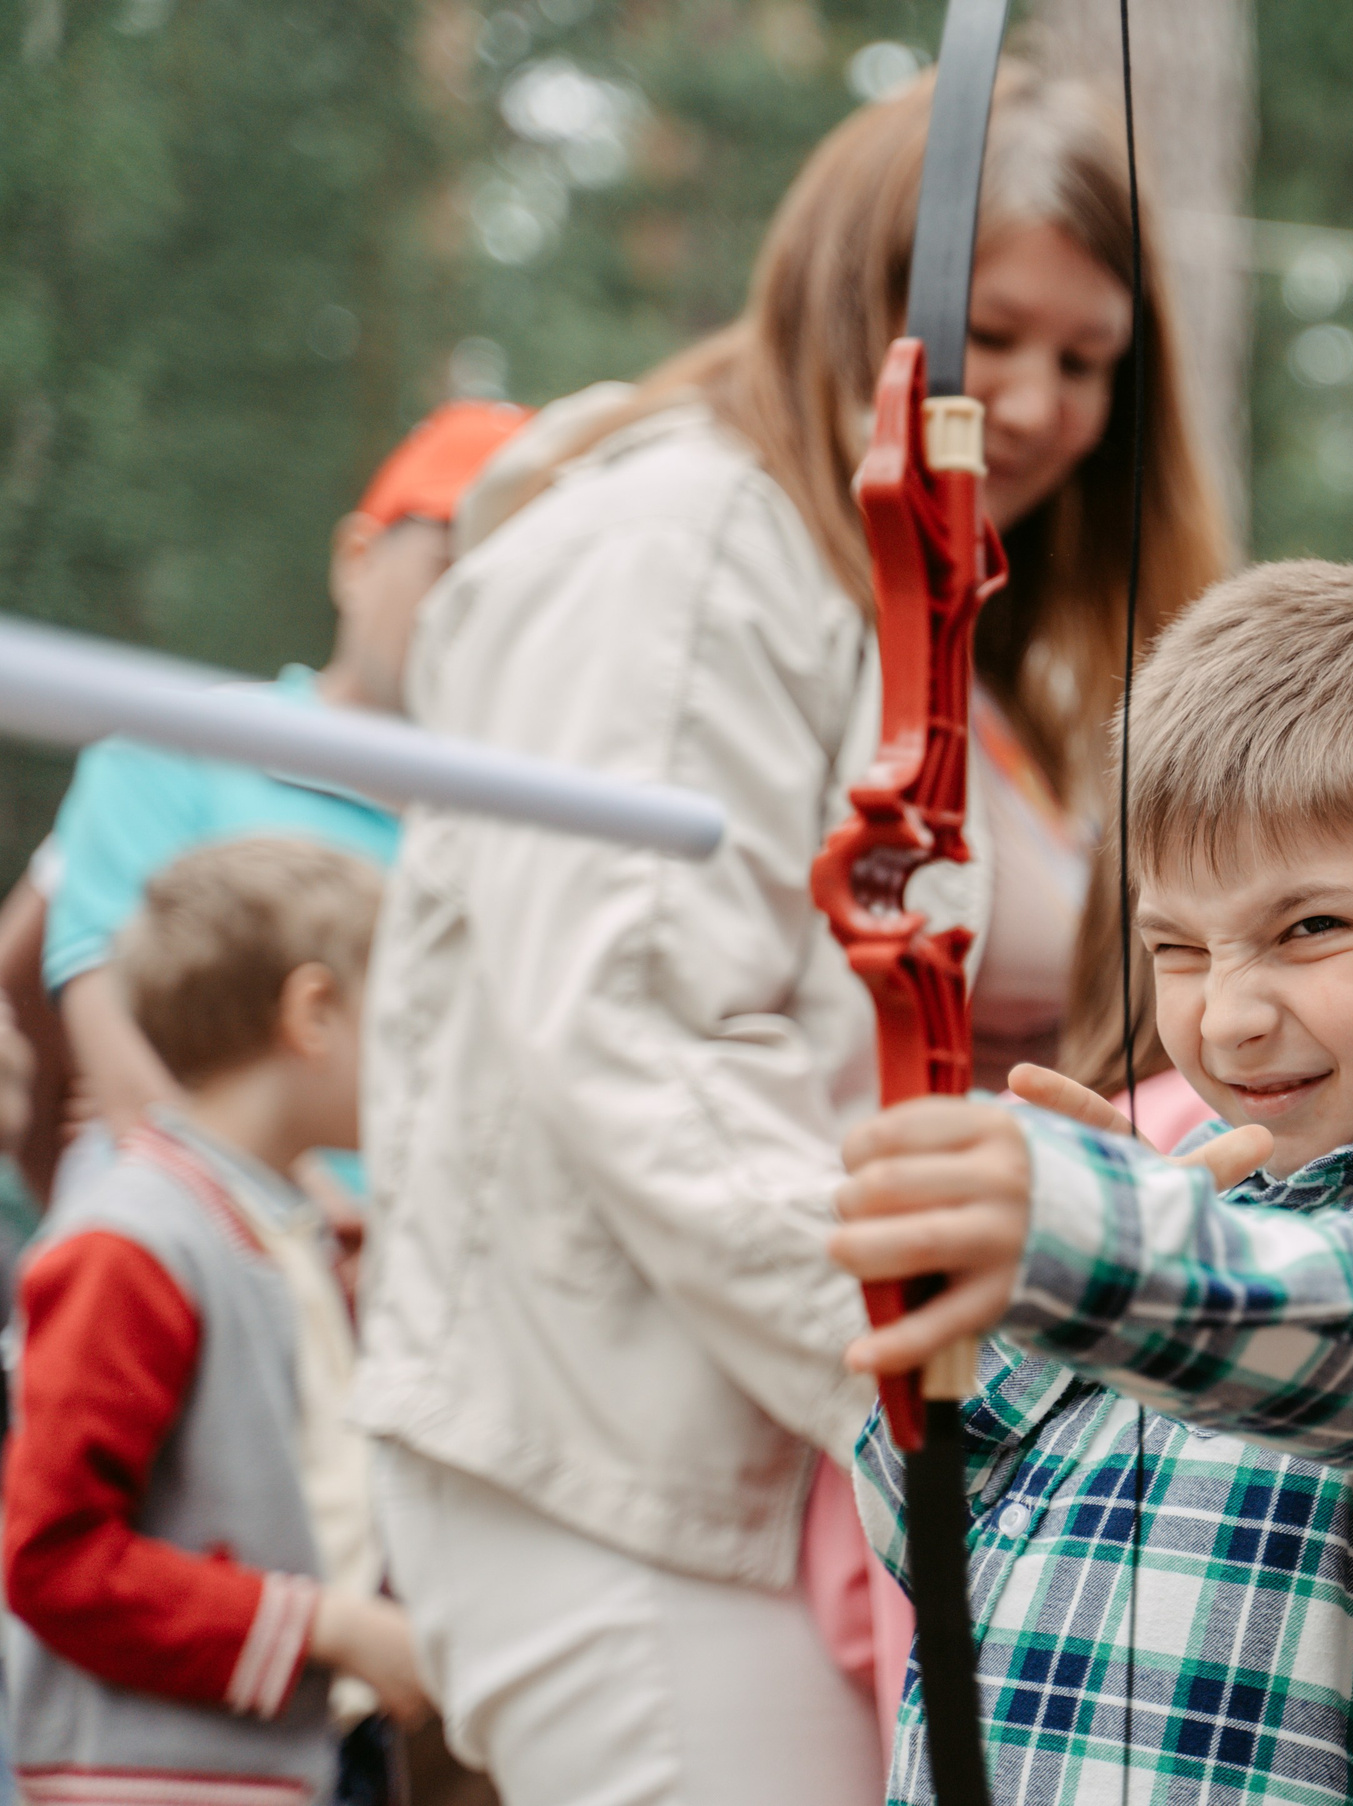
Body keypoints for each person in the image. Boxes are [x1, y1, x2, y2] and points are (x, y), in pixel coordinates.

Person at [353, 61, 1226, 1806]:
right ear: (863, 298)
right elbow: (643, 1045)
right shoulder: (674, 552)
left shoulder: (900, 591)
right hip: (635, 1471)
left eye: (1090, 357)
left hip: (796, 1448)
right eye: (997, 338)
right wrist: (954, 1354)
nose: (1047, 404)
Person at [830, 562, 1353, 1806]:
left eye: (1310, 928)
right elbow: (928, 1538)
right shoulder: (1186, 1216)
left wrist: (1093, 1244)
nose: (1231, 1014)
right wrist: (992, 1307)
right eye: (1177, 948)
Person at [3, 838, 431, 1804]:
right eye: (400, 1014)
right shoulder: (135, 1243)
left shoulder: (284, 1227)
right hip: (164, 1778)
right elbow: (54, 1560)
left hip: (310, 1752)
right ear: (313, 1013)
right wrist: (331, 1627)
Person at [35, 400, 528, 1195]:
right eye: (450, 565)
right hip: (197, 1282)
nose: (472, 611)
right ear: (355, 559)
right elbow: (127, 1064)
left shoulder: (536, 825)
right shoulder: (179, 741)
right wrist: (322, 1238)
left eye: (510, 588)